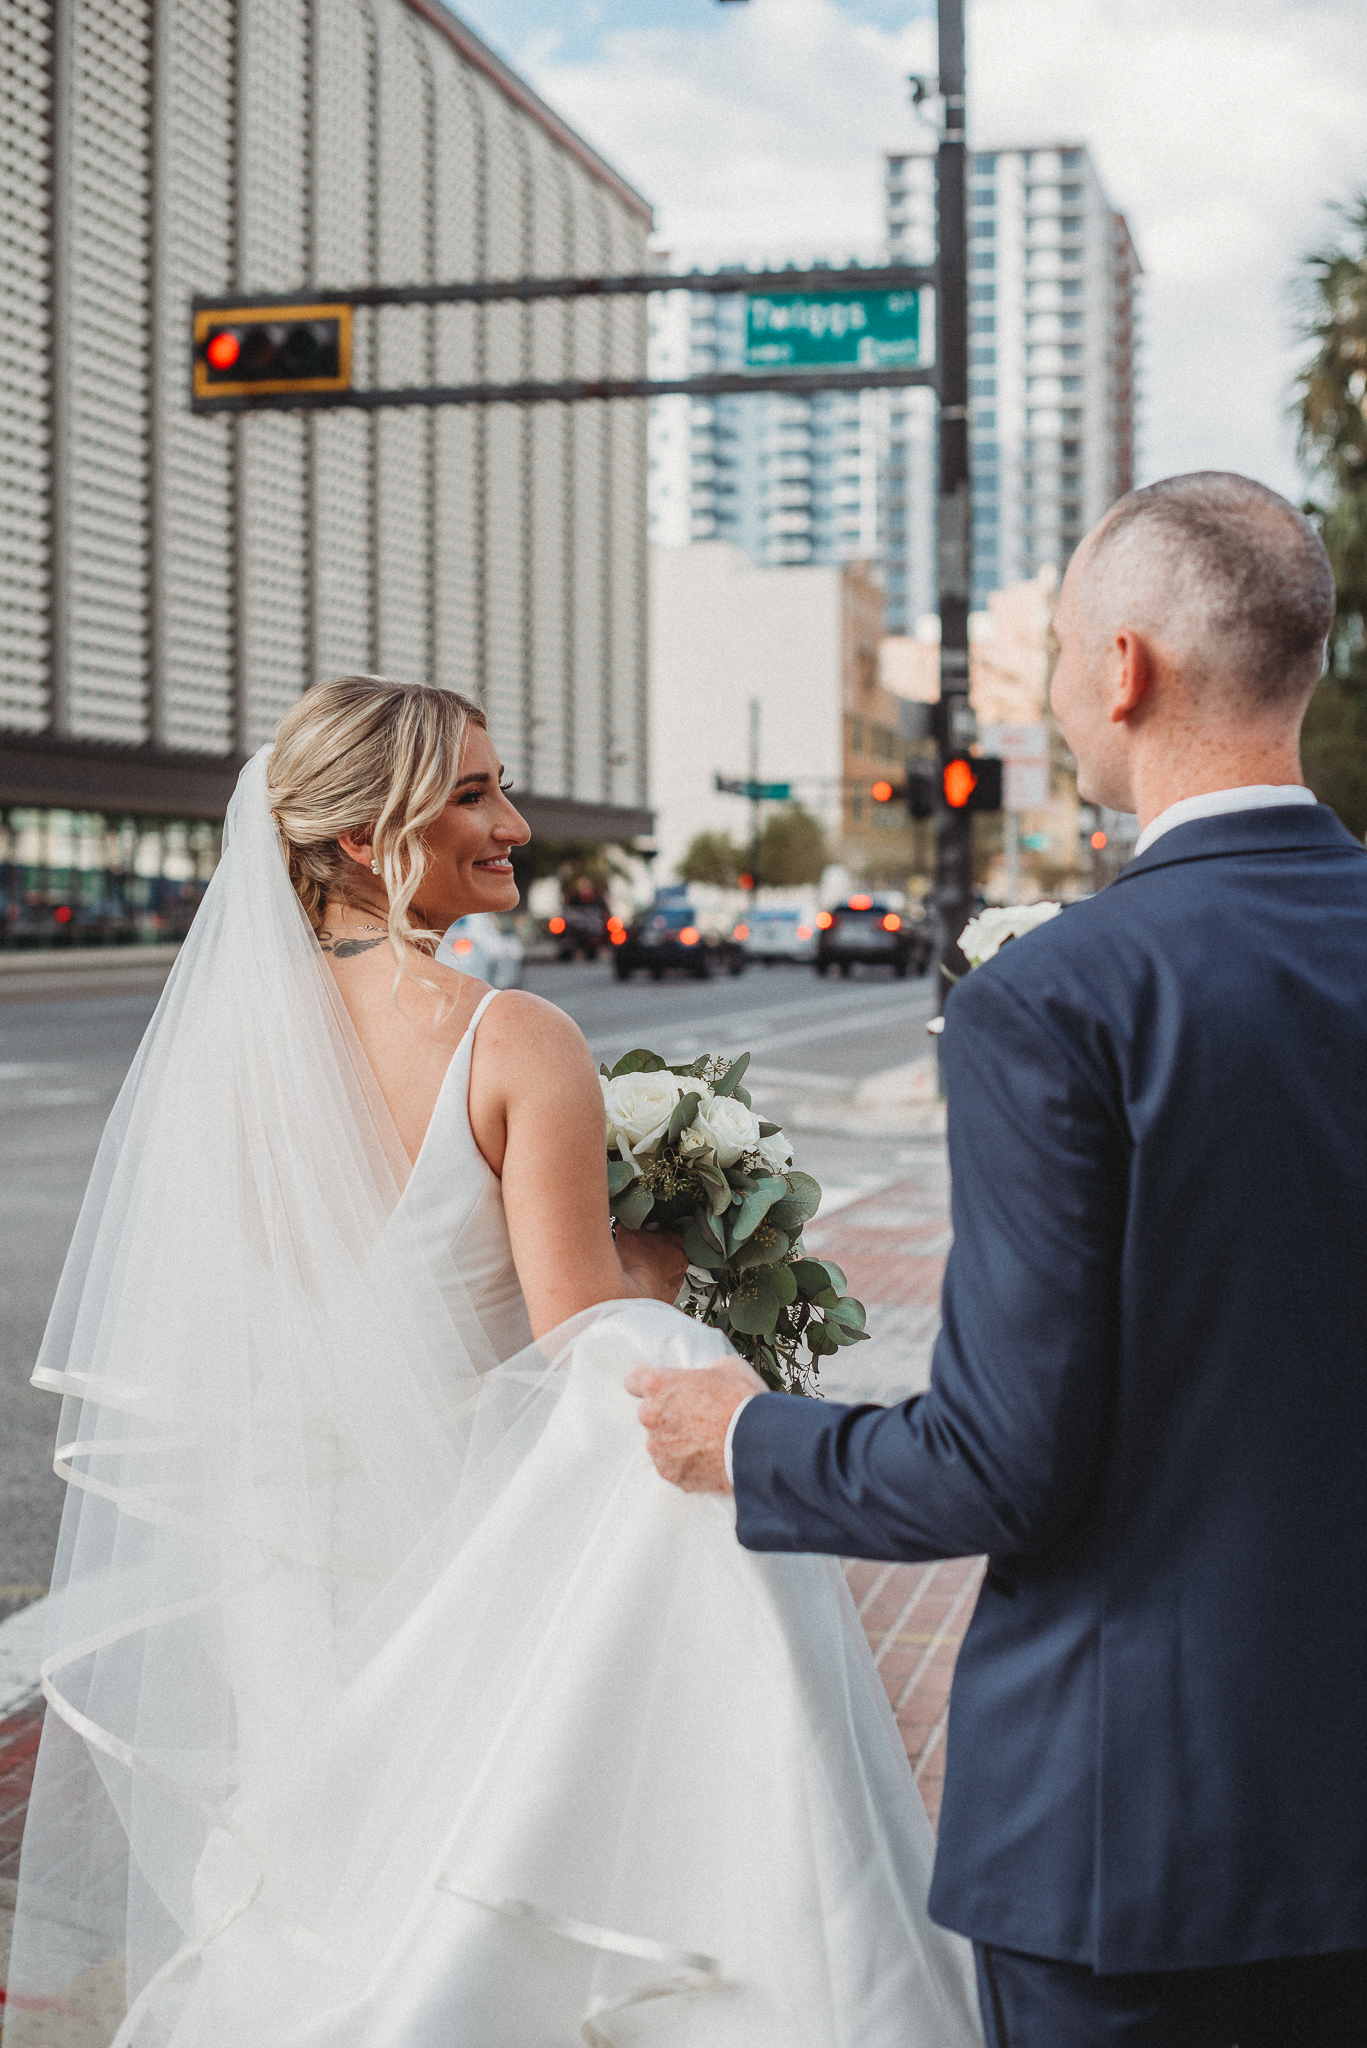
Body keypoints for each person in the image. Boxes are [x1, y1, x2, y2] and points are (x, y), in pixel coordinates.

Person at [8, 676, 981, 2047]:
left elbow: (256, 1317)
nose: (514, 821)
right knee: (474, 1873)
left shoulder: (224, 1056)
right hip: (467, 1538)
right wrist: (666, 1284)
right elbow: (585, 1353)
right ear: (364, 838)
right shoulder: (511, 1040)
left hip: (288, 1554)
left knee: (318, 1892)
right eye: (473, 793)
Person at [629, 473, 1367, 2046]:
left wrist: (742, 1439)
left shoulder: (1064, 997)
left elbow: (1003, 1464)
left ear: (1123, 669)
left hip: (1146, 1843)